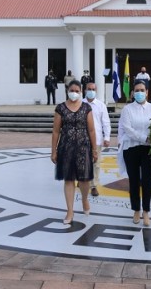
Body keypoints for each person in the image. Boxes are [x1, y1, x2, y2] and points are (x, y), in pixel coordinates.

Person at [51, 79, 97, 225]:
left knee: (84, 180)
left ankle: (84, 199)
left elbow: (91, 130)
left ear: (81, 92)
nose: (74, 93)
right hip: (66, 148)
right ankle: (70, 210)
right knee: (69, 179)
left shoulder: (86, 108)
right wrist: (54, 151)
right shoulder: (61, 108)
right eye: (72, 91)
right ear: (67, 91)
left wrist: (94, 150)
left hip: (84, 148)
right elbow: (56, 131)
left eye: (77, 91)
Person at [118, 79, 151, 226]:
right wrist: (145, 138)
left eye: (142, 90)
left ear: (147, 92)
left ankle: (146, 211)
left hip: (149, 150)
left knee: (147, 180)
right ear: (133, 93)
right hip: (131, 148)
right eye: (137, 90)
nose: (140, 93)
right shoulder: (127, 109)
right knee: (134, 180)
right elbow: (128, 129)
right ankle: (136, 209)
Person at [83, 81, 111, 197]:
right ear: (85, 90)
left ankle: (93, 186)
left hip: (97, 139)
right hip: (82, 139)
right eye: (89, 89)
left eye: (93, 89)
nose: (91, 91)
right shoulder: (80, 104)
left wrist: (107, 137)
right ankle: (83, 181)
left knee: (96, 163)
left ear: (96, 91)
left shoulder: (101, 105)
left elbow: (106, 122)